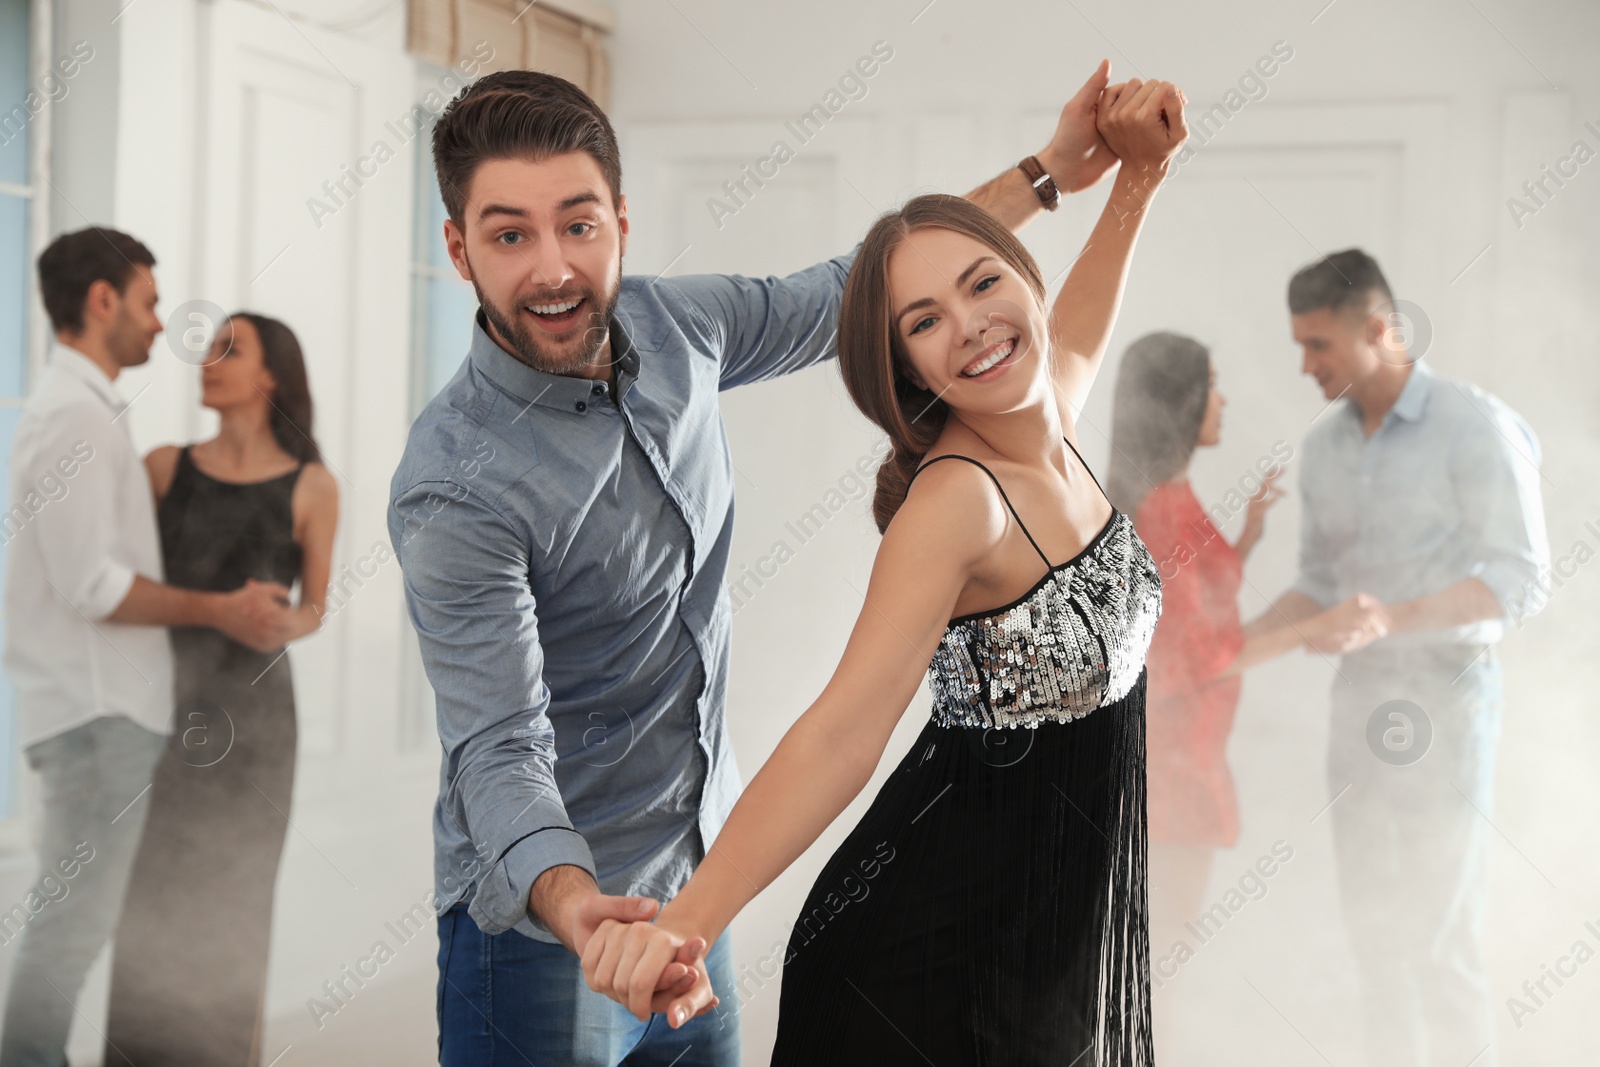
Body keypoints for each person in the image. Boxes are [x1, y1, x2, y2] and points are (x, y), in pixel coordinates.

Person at [389, 61, 1130, 1066]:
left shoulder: (676, 325)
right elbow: (498, 744)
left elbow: (859, 286)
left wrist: (1050, 172)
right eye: (509, 234)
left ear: (621, 219)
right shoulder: (456, 483)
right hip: (548, 935)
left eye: (579, 223)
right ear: (458, 246)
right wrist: (581, 913)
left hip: (689, 885)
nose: (554, 267)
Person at [579, 78, 1187, 1064]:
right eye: (924, 320)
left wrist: (1137, 177)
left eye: (984, 283)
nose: (973, 325)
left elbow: (1073, 335)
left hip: (1047, 928)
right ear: (904, 367)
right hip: (926, 955)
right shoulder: (960, 502)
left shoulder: (1051, 425)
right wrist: (682, 922)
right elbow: (840, 732)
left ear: (1024, 280)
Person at [0, 230, 293, 1067]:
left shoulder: (82, 413)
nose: (162, 325)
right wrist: (223, 609)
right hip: (98, 720)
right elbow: (92, 585)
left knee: (75, 926)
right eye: (150, 301)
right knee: (71, 930)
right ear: (103, 300)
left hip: (105, 720)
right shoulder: (74, 421)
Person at [1250, 249, 1549, 1067]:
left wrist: (1389, 620)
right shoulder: (1327, 449)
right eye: (1300, 347)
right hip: (1358, 708)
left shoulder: (1475, 425)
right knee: (1372, 933)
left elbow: (1518, 581)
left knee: (1437, 933)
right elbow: (1318, 583)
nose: (1305, 366)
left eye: (1318, 346)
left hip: (1448, 704)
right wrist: (1229, 650)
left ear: (1379, 330)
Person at [1106, 330, 1386, 1062]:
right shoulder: (1161, 512)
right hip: (1170, 770)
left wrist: (1249, 538)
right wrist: (1320, 624)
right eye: (1212, 384)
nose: (1222, 399)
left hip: (1179, 757)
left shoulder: (1169, 497)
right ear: (1181, 401)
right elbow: (1200, 657)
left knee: (1157, 953)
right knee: (1159, 956)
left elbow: (1198, 619)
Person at [101, 313, 337, 1066]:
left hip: (258, 731)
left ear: (271, 376)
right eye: (207, 347)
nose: (207, 358)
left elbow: (315, 608)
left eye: (230, 348)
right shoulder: (163, 467)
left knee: (234, 903)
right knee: (149, 898)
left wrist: (282, 622)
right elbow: (116, 587)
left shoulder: (313, 485)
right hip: (160, 714)